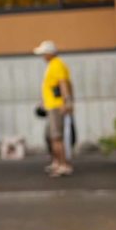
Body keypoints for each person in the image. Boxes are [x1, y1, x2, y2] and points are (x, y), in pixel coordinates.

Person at [34, 40, 74, 177]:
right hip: (51, 105)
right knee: (52, 136)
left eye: (44, 53)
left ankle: (63, 165)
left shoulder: (57, 65)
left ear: (50, 53)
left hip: (56, 106)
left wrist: (66, 102)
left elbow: (63, 84)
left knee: (57, 137)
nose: (42, 56)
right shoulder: (53, 65)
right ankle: (57, 162)